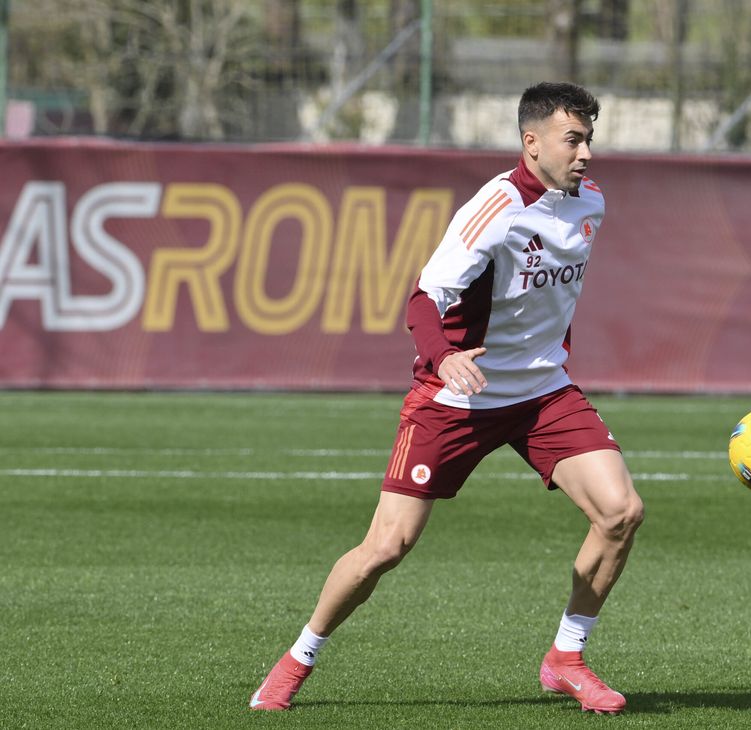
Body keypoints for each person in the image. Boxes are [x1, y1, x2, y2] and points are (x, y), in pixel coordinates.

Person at [249, 81, 644, 716]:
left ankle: (566, 659)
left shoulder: (590, 202)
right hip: (457, 396)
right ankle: (299, 657)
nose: (586, 153)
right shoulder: (495, 207)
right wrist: (444, 358)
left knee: (621, 512)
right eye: (573, 140)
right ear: (531, 141)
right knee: (387, 547)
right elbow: (423, 298)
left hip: (543, 391)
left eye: (589, 139)